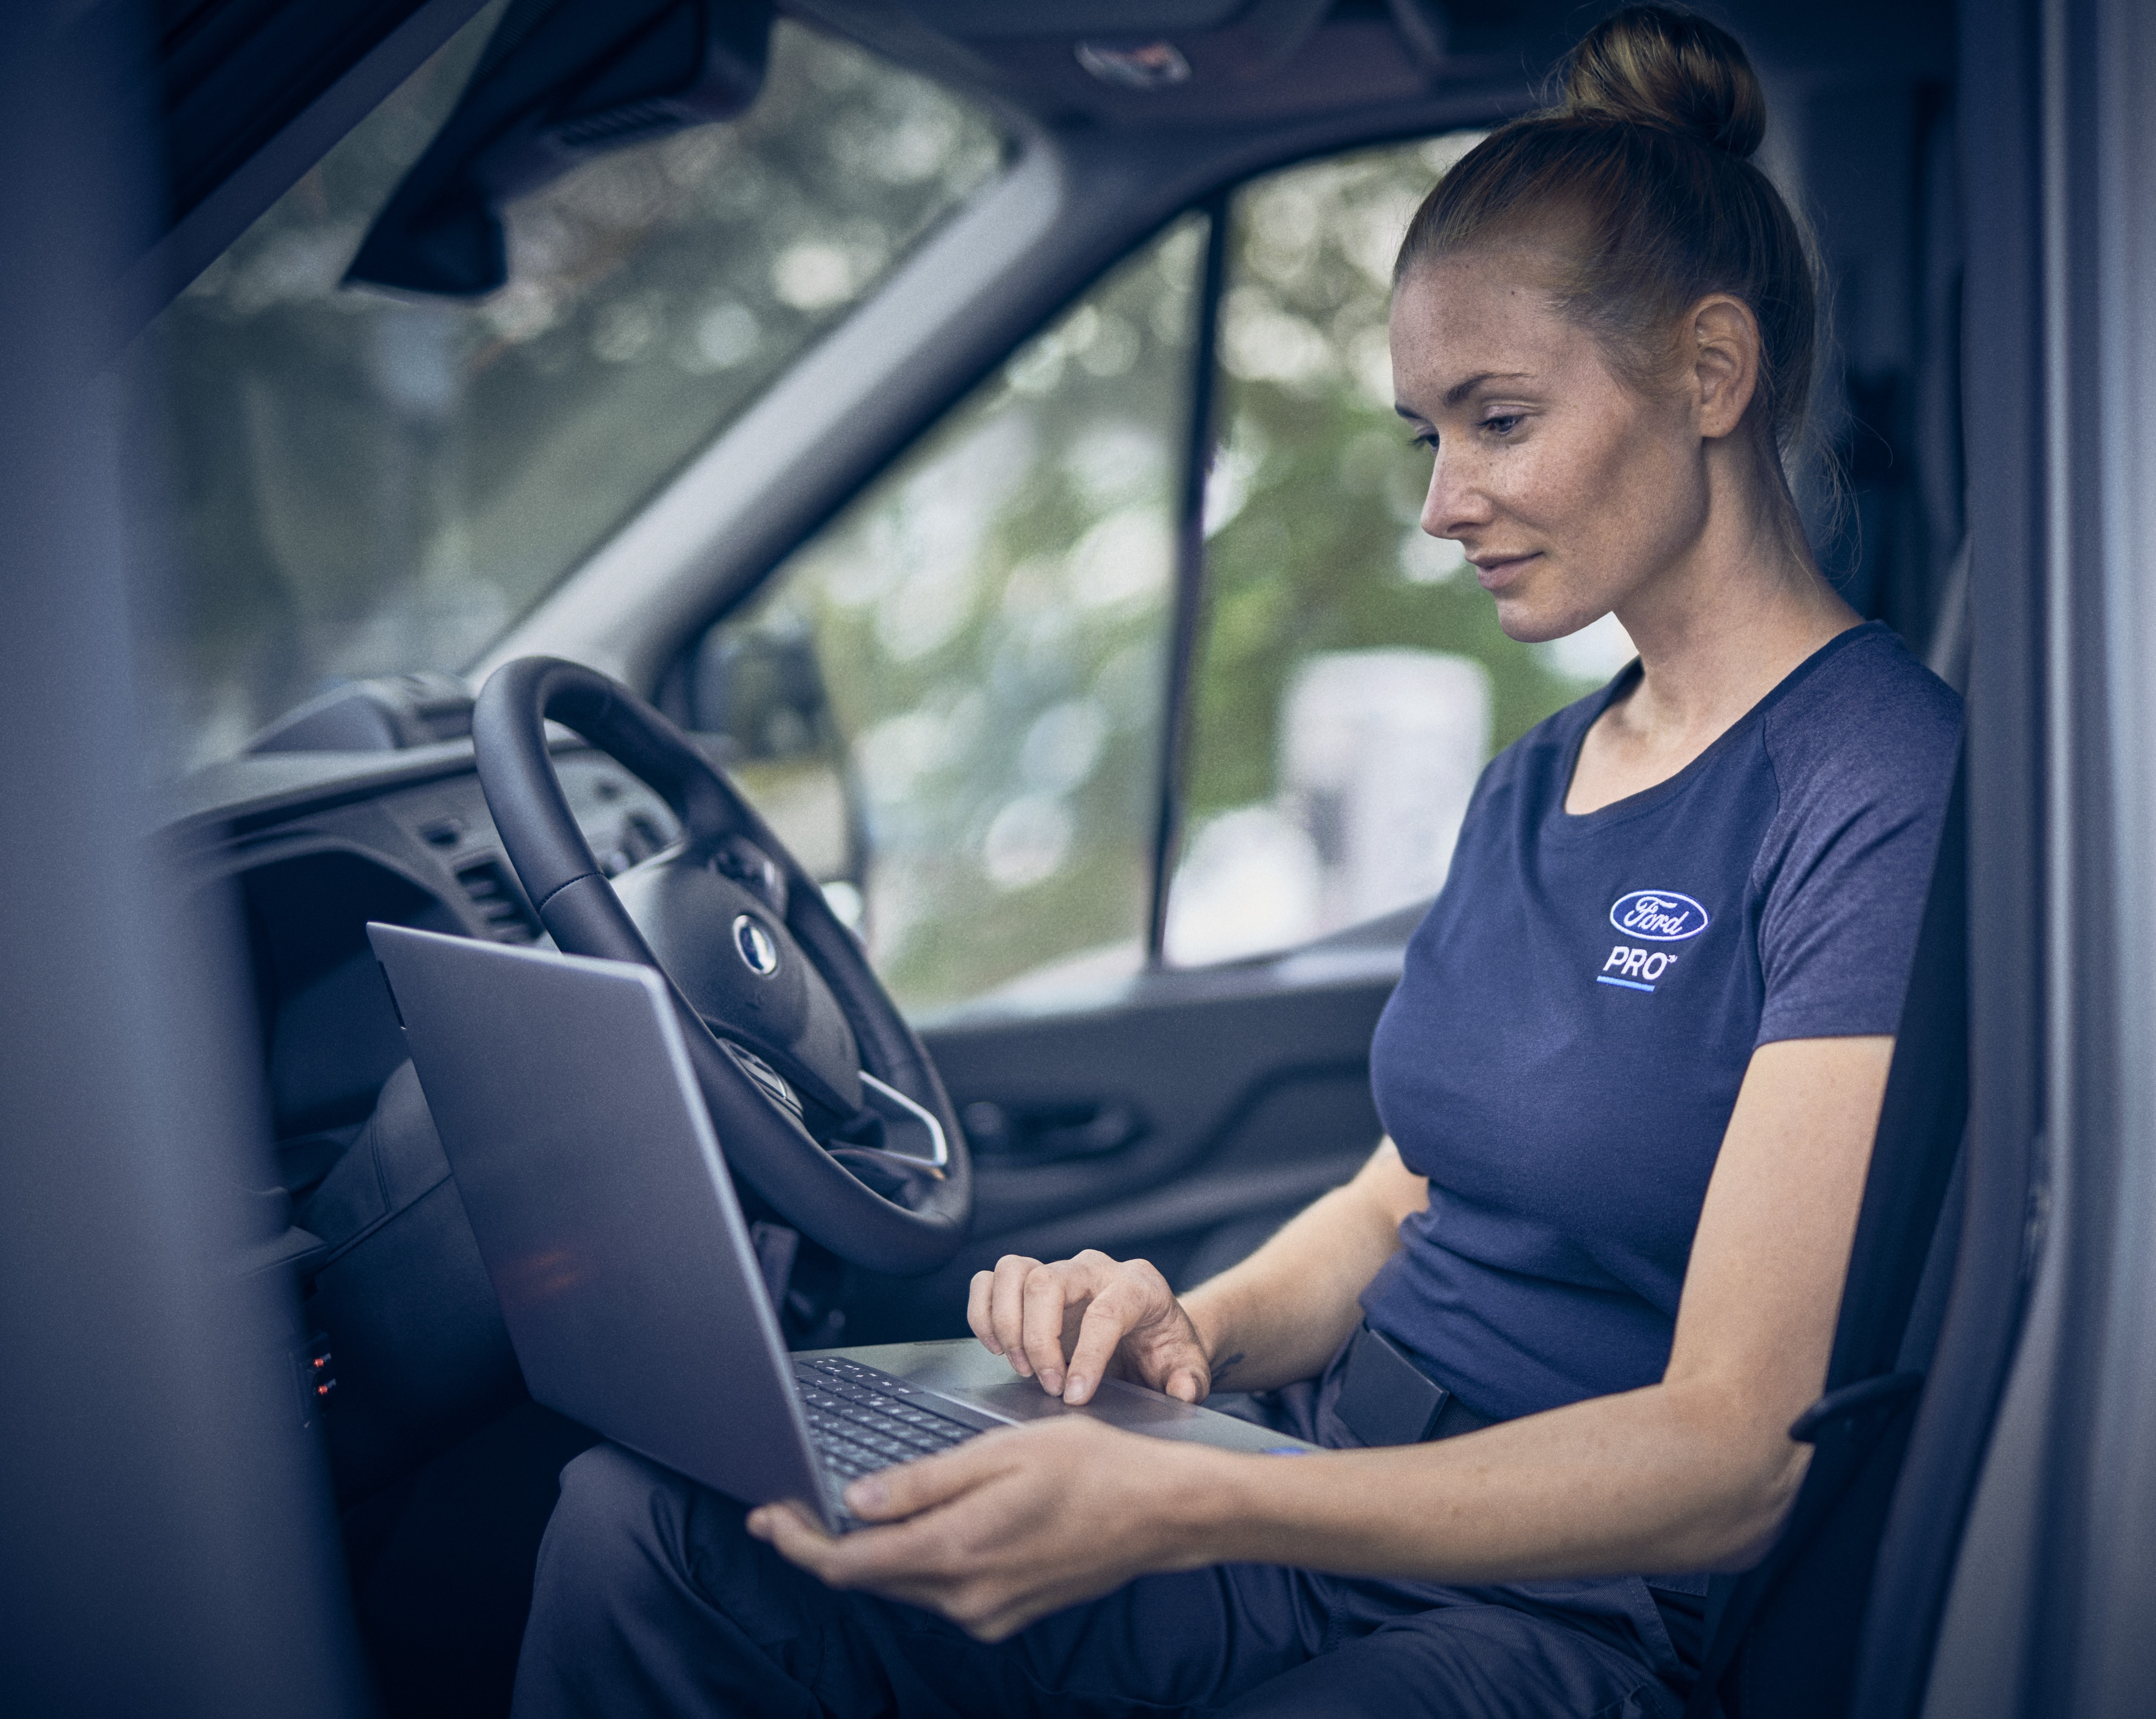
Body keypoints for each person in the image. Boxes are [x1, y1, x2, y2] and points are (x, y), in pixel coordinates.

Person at [513, 8, 1961, 1714]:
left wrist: (1193, 1495)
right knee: (651, 1528)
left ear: (1712, 374)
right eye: (1429, 435)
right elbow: (1394, 1199)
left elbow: (1735, 1452)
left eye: (1498, 418)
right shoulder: (1542, 776)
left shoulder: (1874, 777)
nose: (1443, 504)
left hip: (1568, 1612)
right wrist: (1177, 1331)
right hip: (1316, 1490)